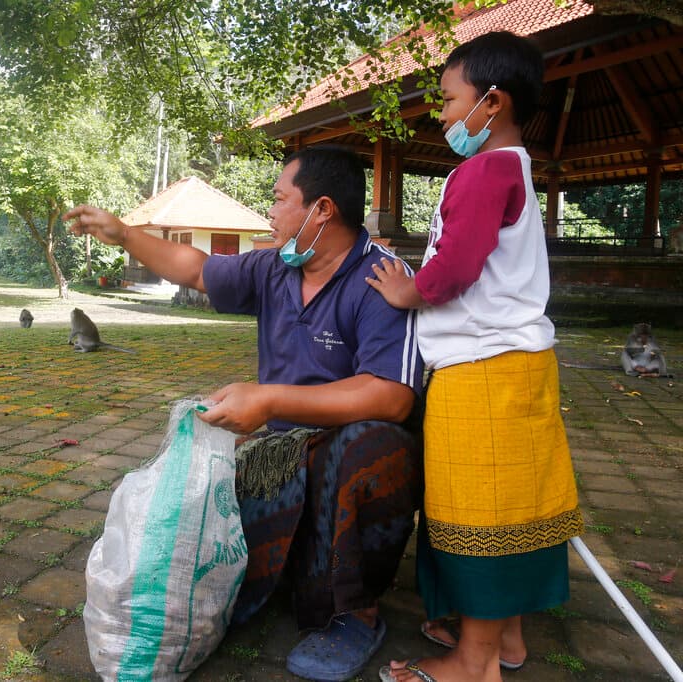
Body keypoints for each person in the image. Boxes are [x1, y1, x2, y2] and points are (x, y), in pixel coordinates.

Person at [64, 145, 425, 682]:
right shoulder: (275, 268)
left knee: (368, 445)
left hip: (345, 454)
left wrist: (270, 399)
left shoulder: (381, 279)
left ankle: (354, 613)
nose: (271, 213)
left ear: (321, 209)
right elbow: (200, 269)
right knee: (212, 548)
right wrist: (125, 235)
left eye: (280, 200)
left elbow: (392, 396)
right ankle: (291, 573)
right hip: (277, 454)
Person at [366, 31, 584, 682]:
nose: (442, 113)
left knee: (480, 513)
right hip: (513, 365)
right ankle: (505, 641)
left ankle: (473, 662)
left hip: (484, 371)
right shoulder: (514, 166)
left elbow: (456, 266)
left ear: (493, 101)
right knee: (512, 509)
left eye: (449, 99)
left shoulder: (484, 169)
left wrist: (408, 289)